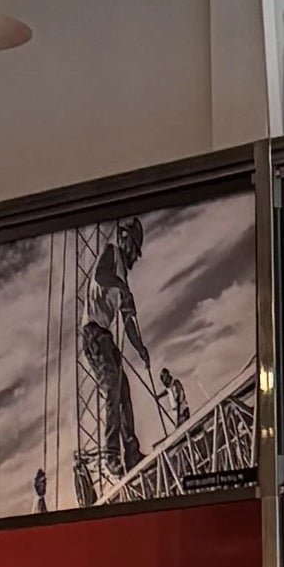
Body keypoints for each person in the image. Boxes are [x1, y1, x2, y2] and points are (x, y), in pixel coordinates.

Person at [74, 213, 177, 498]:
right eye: (131, 246)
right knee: (110, 386)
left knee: (124, 390)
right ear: (124, 240)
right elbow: (99, 276)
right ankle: (111, 453)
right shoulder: (111, 253)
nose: (133, 254)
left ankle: (130, 451)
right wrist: (122, 287)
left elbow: (129, 321)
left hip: (105, 335)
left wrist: (140, 347)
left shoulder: (124, 276)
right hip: (93, 333)